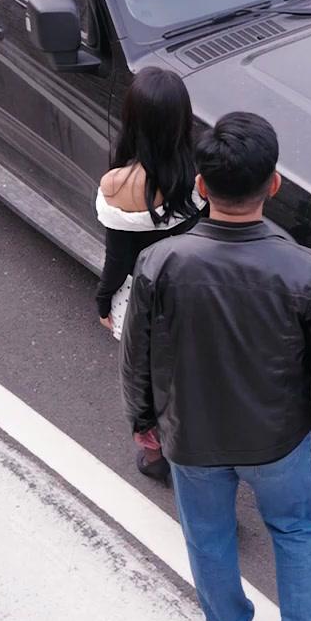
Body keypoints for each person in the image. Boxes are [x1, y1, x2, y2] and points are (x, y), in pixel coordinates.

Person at [121, 110, 311, 621]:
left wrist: (144, 421)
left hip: (192, 437)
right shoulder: (303, 269)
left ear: (202, 186)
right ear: (273, 183)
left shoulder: (161, 262)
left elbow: (136, 353)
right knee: (297, 532)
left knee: (207, 534)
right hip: (277, 439)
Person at [95, 66, 201, 483]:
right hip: (193, 290)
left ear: (132, 119)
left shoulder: (118, 183)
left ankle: (157, 455)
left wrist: (103, 300)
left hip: (143, 300)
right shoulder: (198, 171)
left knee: (145, 381)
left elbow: (117, 259)